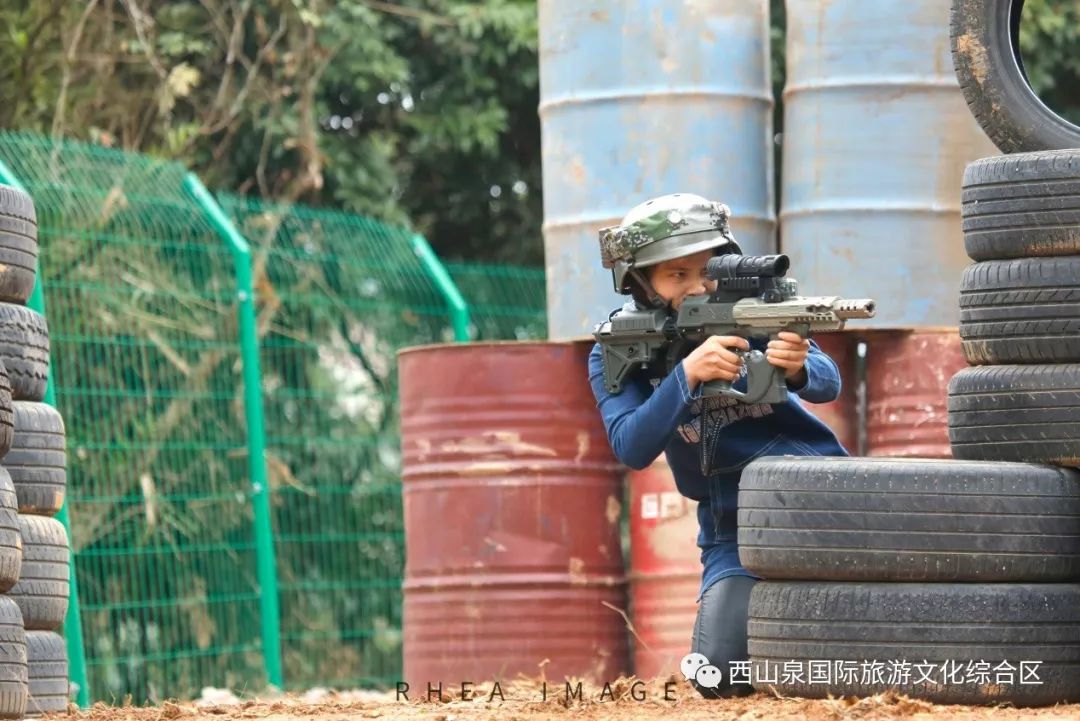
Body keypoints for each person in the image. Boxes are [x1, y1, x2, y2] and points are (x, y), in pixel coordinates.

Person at [586, 193, 848, 698]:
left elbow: (827, 382)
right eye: (675, 275)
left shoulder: (752, 312)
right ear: (640, 282)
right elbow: (631, 446)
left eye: (705, 269)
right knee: (720, 677)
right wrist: (685, 376)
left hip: (821, 502)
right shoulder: (618, 350)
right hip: (734, 532)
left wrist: (795, 364)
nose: (696, 285)